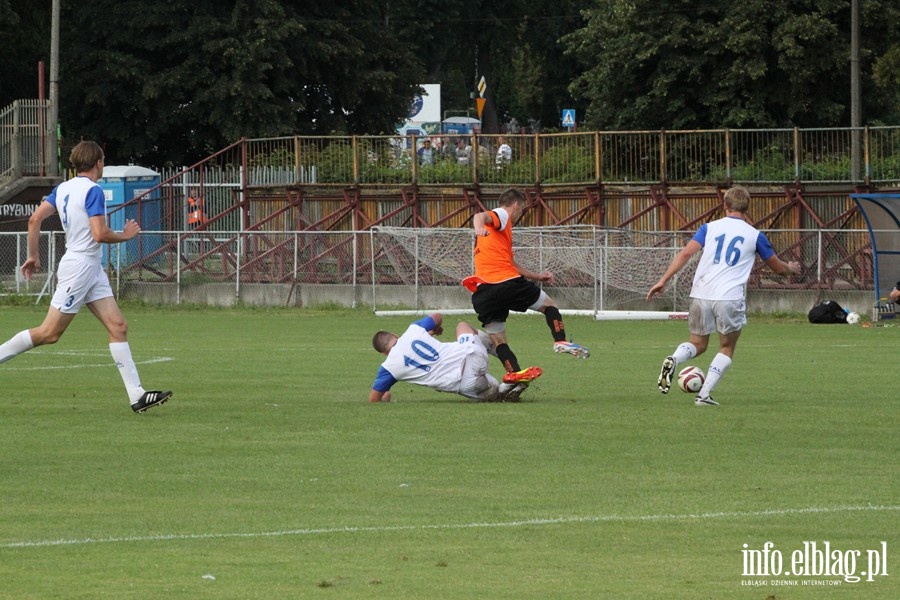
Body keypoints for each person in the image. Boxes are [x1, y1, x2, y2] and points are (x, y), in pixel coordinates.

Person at [0, 141, 172, 414]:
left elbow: (34, 220)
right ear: (98, 163)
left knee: (118, 326)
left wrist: (34, 255)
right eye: (103, 160)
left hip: (90, 267)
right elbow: (99, 234)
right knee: (49, 333)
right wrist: (125, 236)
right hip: (80, 267)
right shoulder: (93, 191)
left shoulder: (63, 188)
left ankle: (137, 395)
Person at [646, 185, 801, 406]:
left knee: (698, 344)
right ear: (747, 208)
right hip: (728, 297)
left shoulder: (708, 228)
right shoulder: (755, 235)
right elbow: (777, 267)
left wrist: (663, 280)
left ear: (724, 205)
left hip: (701, 293)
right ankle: (704, 395)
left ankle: (674, 358)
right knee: (727, 348)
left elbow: (686, 253)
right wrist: (790, 268)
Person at [466, 187, 590, 384]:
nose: (519, 214)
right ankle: (560, 341)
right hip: (506, 284)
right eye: (521, 210)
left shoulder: (497, 238)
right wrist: (478, 227)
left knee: (499, 341)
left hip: (483, 292)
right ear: (516, 205)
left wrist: (538, 276)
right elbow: (480, 216)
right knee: (549, 306)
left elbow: (512, 263)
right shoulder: (502, 215)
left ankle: (514, 375)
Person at [369, 312, 542, 403]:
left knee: (494, 396)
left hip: (465, 385)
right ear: (394, 335)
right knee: (462, 325)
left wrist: (384, 398)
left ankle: (511, 385)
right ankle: (509, 366)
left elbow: (373, 399)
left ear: (383, 353)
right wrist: (435, 329)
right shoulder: (413, 330)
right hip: (471, 357)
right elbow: (437, 316)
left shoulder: (388, 367)